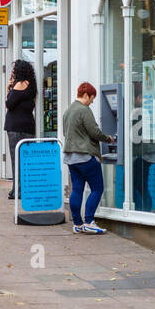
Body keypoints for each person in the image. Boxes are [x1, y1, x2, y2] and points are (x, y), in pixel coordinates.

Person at [62, 83, 113, 234]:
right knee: (97, 188)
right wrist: (108, 139)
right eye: (92, 98)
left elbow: (66, 133)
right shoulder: (84, 110)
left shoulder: (68, 110)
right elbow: (94, 132)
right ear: (86, 95)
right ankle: (89, 221)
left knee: (77, 189)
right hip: (85, 156)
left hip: (71, 157)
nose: (92, 101)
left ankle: (77, 224)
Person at [4, 59, 38, 200]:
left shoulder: (18, 84)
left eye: (14, 70)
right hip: (28, 125)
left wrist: (9, 88)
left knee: (16, 159)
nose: (12, 72)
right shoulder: (32, 86)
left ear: (19, 71)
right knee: (26, 159)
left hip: (15, 127)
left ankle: (17, 190)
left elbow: (9, 103)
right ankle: (24, 188)